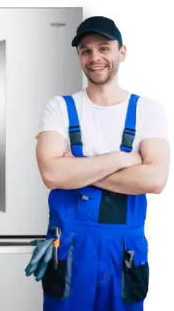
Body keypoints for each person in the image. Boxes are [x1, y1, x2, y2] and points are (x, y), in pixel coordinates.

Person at [25, 15, 170, 311]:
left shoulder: (147, 109)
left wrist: (77, 171)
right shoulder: (60, 108)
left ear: (122, 52)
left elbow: (155, 180)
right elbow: (52, 174)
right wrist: (122, 160)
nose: (95, 57)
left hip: (125, 254)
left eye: (104, 48)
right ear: (79, 56)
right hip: (69, 251)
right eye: (86, 50)